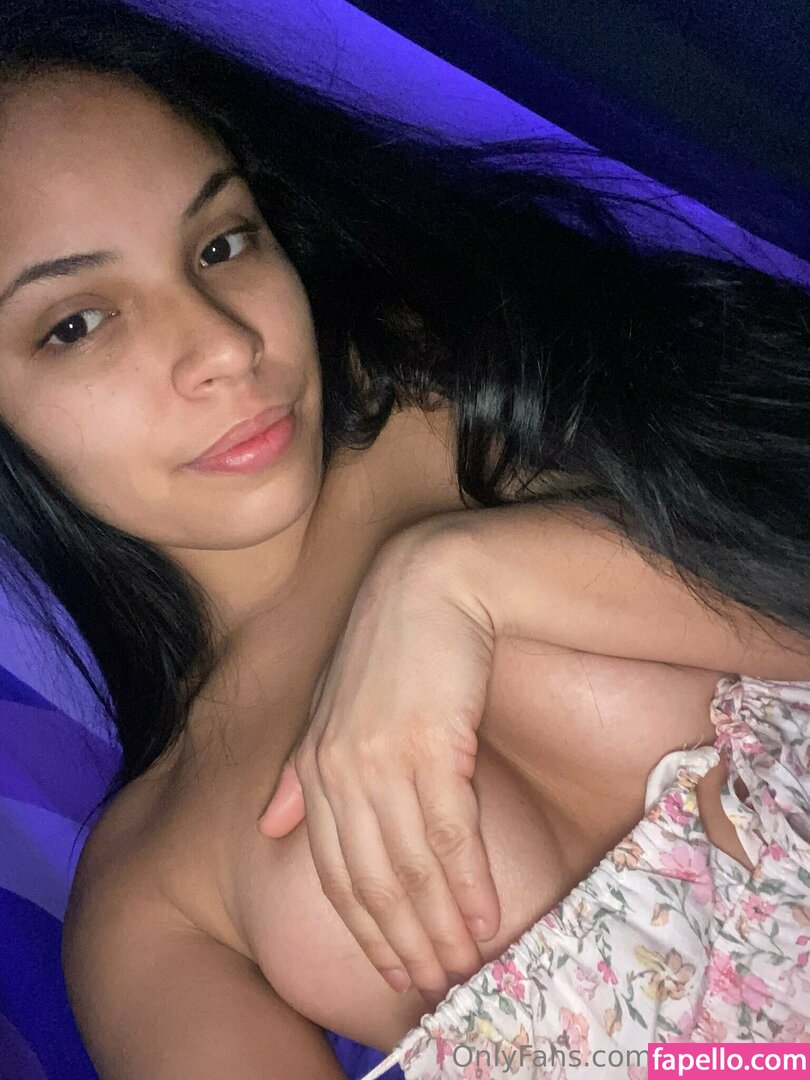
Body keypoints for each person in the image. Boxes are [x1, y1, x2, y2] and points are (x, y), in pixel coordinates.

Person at [0, 1, 808, 1076]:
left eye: (221, 244)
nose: (225, 346)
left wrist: (460, 579)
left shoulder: (471, 376)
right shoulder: (150, 892)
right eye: (76, 323)